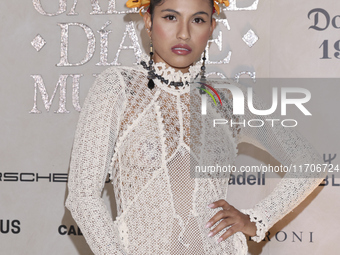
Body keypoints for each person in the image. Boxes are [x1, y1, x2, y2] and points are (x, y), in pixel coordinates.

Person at [65, 0, 326, 254]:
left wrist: (256, 219)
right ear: (148, 20)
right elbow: (83, 196)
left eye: (198, 20)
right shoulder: (120, 87)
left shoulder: (229, 99)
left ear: (211, 27)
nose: (184, 33)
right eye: (170, 17)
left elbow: (310, 162)